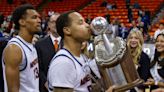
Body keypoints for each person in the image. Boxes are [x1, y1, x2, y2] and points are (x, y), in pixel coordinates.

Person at [47, 10, 114, 92]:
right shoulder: (63, 62)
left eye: (85, 22)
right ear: (67, 30)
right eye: (80, 23)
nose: (87, 26)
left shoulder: (81, 56)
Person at [2, 4, 41, 92]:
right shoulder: (14, 49)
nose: (39, 20)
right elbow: (13, 89)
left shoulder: (31, 44)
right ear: (22, 22)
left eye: (39, 17)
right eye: (34, 17)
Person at [35, 13, 62, 92]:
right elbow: (38, 68)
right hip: (46, 88)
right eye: (53, 22)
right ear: (49, 24)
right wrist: (45, 83)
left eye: (58, 22)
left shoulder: (69, 43)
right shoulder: (39, 44)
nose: (55, 24)